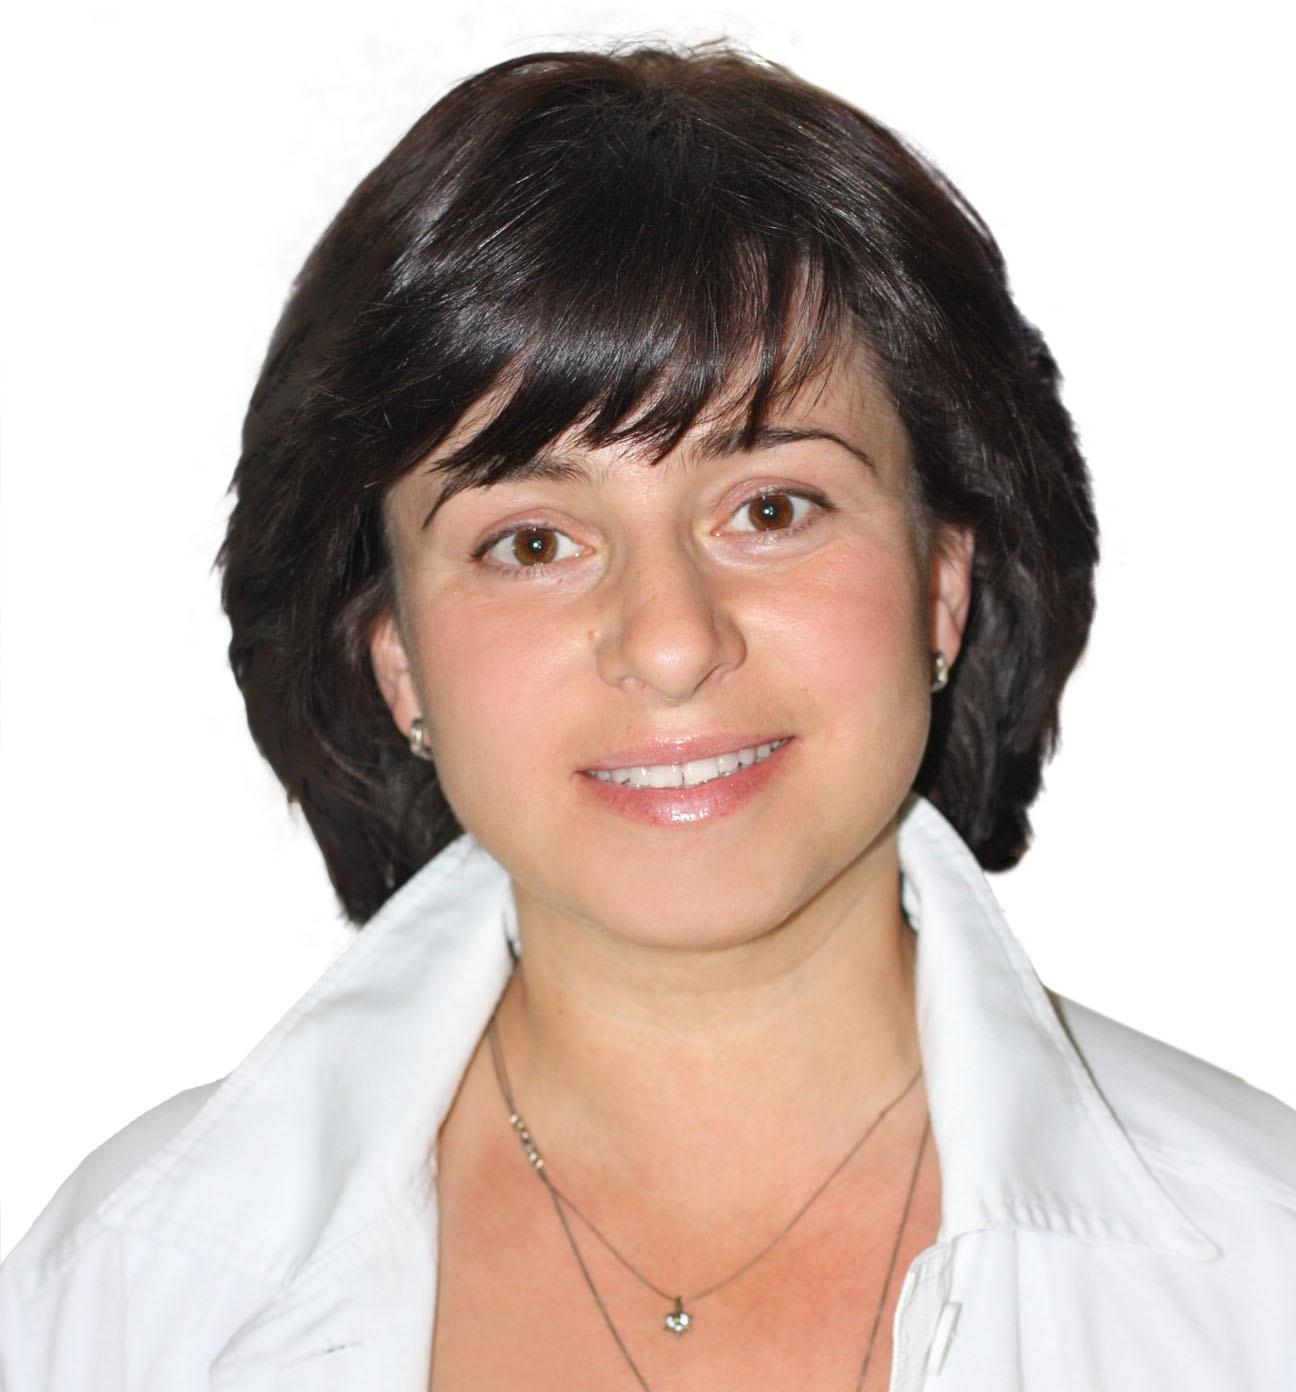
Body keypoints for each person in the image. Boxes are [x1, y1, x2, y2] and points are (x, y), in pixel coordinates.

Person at [2, 43, 1293, 1392]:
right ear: (396, 660)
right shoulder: (116, 1304)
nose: (671, 643)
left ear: (941, 589)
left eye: (771, 509)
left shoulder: (1264, 1282)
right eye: (532, 543)